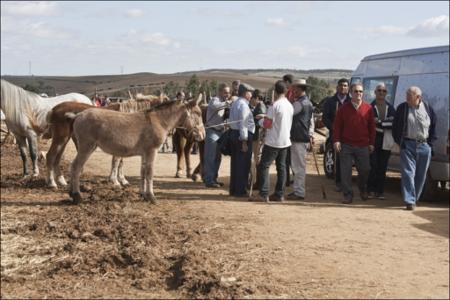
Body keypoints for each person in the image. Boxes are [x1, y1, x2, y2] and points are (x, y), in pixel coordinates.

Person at [392, 86, 436, 211]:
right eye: (406, 94)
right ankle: (409, 201)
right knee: (408, 173)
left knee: (421, 175)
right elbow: (395, 127)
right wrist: (400, 143)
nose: (406, 97)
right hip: (407, 144)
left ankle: (414, 198)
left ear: (418, 97)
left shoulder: (427, 108)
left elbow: (433, 126)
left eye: (409, 95)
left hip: (424, 146)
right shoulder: (402, 108)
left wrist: (430, 144)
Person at [250, 80, 293, 202]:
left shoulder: (274, 106)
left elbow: (268, 124)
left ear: (275, 91)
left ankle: (263, 194)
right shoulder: (289, 105)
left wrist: (259, 121)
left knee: (264, 166)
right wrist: (265, 116)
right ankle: (279, 194)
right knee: (282, 167)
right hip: (285, 141)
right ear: (286, 91)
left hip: (273, 141)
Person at [333, 83, 376, 204]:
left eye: (361, 91)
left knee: (365, 169)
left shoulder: (368, 108)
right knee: (345, 171)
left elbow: (372, 128)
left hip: (363, 145)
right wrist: (336, 140)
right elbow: (337, 127)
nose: (359, 94)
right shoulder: (343, 109)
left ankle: (363, 189)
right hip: (346, 145)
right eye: (356, 91)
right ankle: (347, 194)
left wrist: (372, 143)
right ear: (351, 93)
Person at [287, 79, 315, 200]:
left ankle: (299, 192)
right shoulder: (307, 102)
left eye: (294, 89)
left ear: (299, 89)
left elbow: (288, 114)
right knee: (299, 166)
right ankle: (298, 191)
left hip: (298, 137)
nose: (293, 91)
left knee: (298, 167)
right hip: (301, 136)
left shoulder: (299, 103)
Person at [367, 83, 396, 199]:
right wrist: (385, 121)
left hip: (386, 139)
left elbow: (393, 122)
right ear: (375, 92)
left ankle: (380, 191)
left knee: (382, 167)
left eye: (384, 91)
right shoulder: (370, 107)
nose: (381, 92)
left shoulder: (390, 107)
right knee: (373, 165)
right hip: (374, 139)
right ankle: (370, 190)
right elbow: (370, 122)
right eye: (379, 90)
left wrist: (380, 122)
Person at [322, 78, 351, 191]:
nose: (343, 87)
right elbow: (325, 118)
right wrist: (334, 127)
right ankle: (339, 183)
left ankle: (347, 182)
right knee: (338, 159)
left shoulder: (351, 101)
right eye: (341, 85)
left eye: (345, 85)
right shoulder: (330, 101)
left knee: (348, 159)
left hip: (349, 135)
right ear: (337, 87)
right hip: (336, 134)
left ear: (348, 88)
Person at [228, 83, 255, 197]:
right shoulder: (243, 105)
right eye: (250, 93)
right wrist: (244, 141)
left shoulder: (236, 103)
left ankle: (234, 189)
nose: (251, 95)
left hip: (234, 134)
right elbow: (243, 124)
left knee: (235, 163)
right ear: (245, 93)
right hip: (241, 136)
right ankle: (240, 190)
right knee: (243, 164)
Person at [203, 83, 231, 188]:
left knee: (217, 158)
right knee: (210, 157)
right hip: (212, 131)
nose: (227, 94)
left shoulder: (224, 102)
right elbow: (215, 107)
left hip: (220, 132)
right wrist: (229, 102)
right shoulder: (215, 100)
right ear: (219, 92)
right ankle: (209, 180)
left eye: (228, 93)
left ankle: (213, 179)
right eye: (225, 92)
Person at [249, 89, 267, 189]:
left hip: (257, 137)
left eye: (252, 98)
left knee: (257, 160)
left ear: (256, 98)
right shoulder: (260, 106)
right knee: (257, 159)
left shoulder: (260, 106)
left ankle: (258, 182)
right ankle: (257, 181)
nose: (251, 101)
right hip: (257, 136)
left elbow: (261, 123)